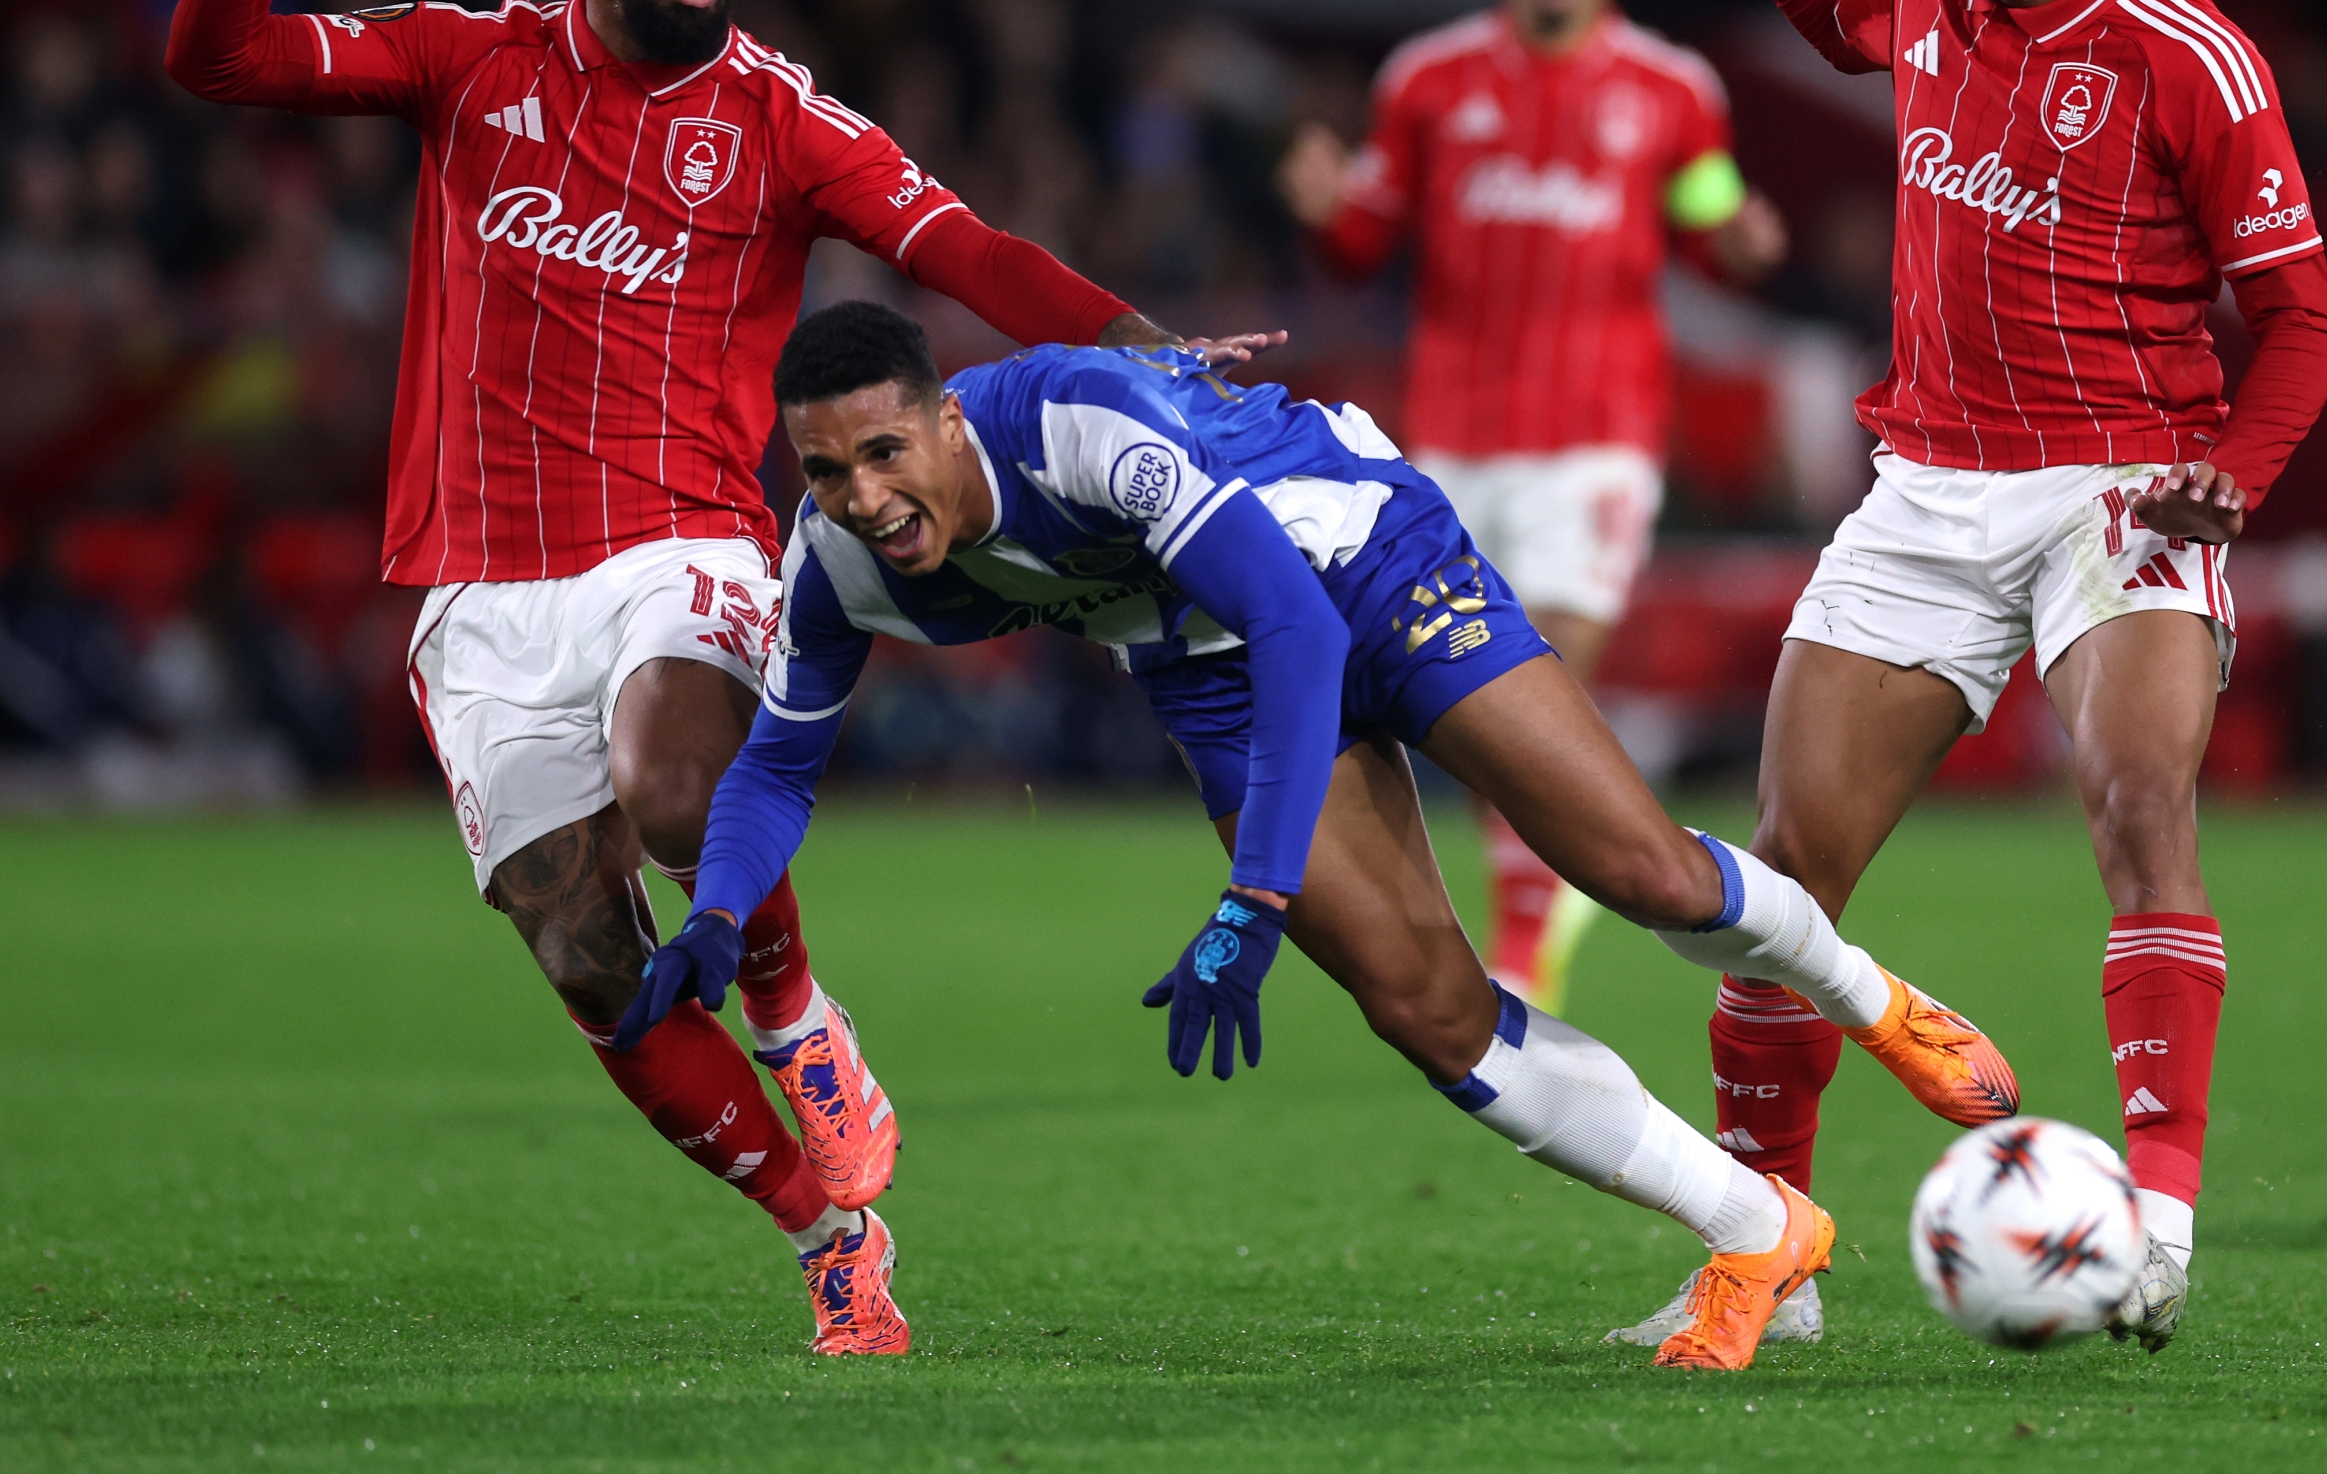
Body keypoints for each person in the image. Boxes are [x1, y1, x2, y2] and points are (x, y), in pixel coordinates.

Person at [164, 0, 1267, 1357]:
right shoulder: (472, 64)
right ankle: (826, 1231)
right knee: (579, 940)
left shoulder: (781, 119)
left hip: (677, 536)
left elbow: (969, 248)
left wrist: (1145, 349)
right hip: (475, 577)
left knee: (679, 781)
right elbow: (217, 62)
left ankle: (794, 1013)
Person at [613, 301, 2023, 1373]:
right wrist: (723, 914)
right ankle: (1754, 1230)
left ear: (943, 422)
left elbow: (1292, 624)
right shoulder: (837, 561)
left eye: (882, 453)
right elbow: (778, 764)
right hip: (1203, 662)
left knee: (1634, 870)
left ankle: (1873, 1002)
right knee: (1422, 1008)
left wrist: (1254, 896)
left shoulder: (1079, 425)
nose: (862, 497)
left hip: (1358, 560)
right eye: (825, 469)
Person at [1610, 0, 2327, 1355]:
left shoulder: (2186, 54)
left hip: (2123, 485)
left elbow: (2298, 318)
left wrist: (2230, 471)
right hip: (1929, 488)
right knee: (1780, 880)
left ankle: (2150, 1227)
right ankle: (1762, 1260)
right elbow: (1834, 9)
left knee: (2138, 799)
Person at [1275, 0, 1787, 1014]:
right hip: (1446, 445)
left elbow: (1708, 217)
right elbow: (1368, 234)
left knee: (1537, 670)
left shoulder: (1670, 90)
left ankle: (1520, 942)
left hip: (1597, 440)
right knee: (1468, 700)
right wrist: (1324, 213)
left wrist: (1741, 243)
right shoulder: (1427, 81)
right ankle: (1533, 905)